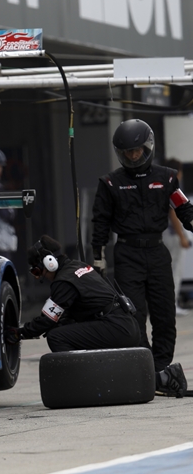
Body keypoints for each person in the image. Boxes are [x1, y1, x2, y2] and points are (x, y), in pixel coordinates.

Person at [92, 119, 193, 397]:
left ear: (148, 147)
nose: (133, 156)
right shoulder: (110, 183)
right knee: (133, 316)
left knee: (165, 314)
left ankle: (161, 368)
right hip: (127, 254)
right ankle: (145, 369)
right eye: (128, 152)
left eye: (137, 151)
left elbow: (184, 210)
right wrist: (98, 258)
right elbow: (99, 224)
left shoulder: (167, 178)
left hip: (157, 252)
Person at [6, 235, 142, 355]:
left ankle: (81, 374)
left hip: (116, 328)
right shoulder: (78, 266)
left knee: (56, 337)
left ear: (49, 263)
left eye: (37, 271)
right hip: (127, 326)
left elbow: (46, 320)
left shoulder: (64, 281)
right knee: (63, 328)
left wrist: (20, 333)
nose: (39, 277)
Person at [161, 158, 191, 316]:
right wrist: (182, 237)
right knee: (175, 270)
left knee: (167, 270)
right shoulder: (172, 187)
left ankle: (168, 305)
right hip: (172, 235)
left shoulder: (160, 185)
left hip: (164, 234)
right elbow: (173, 213)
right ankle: (172, 305)